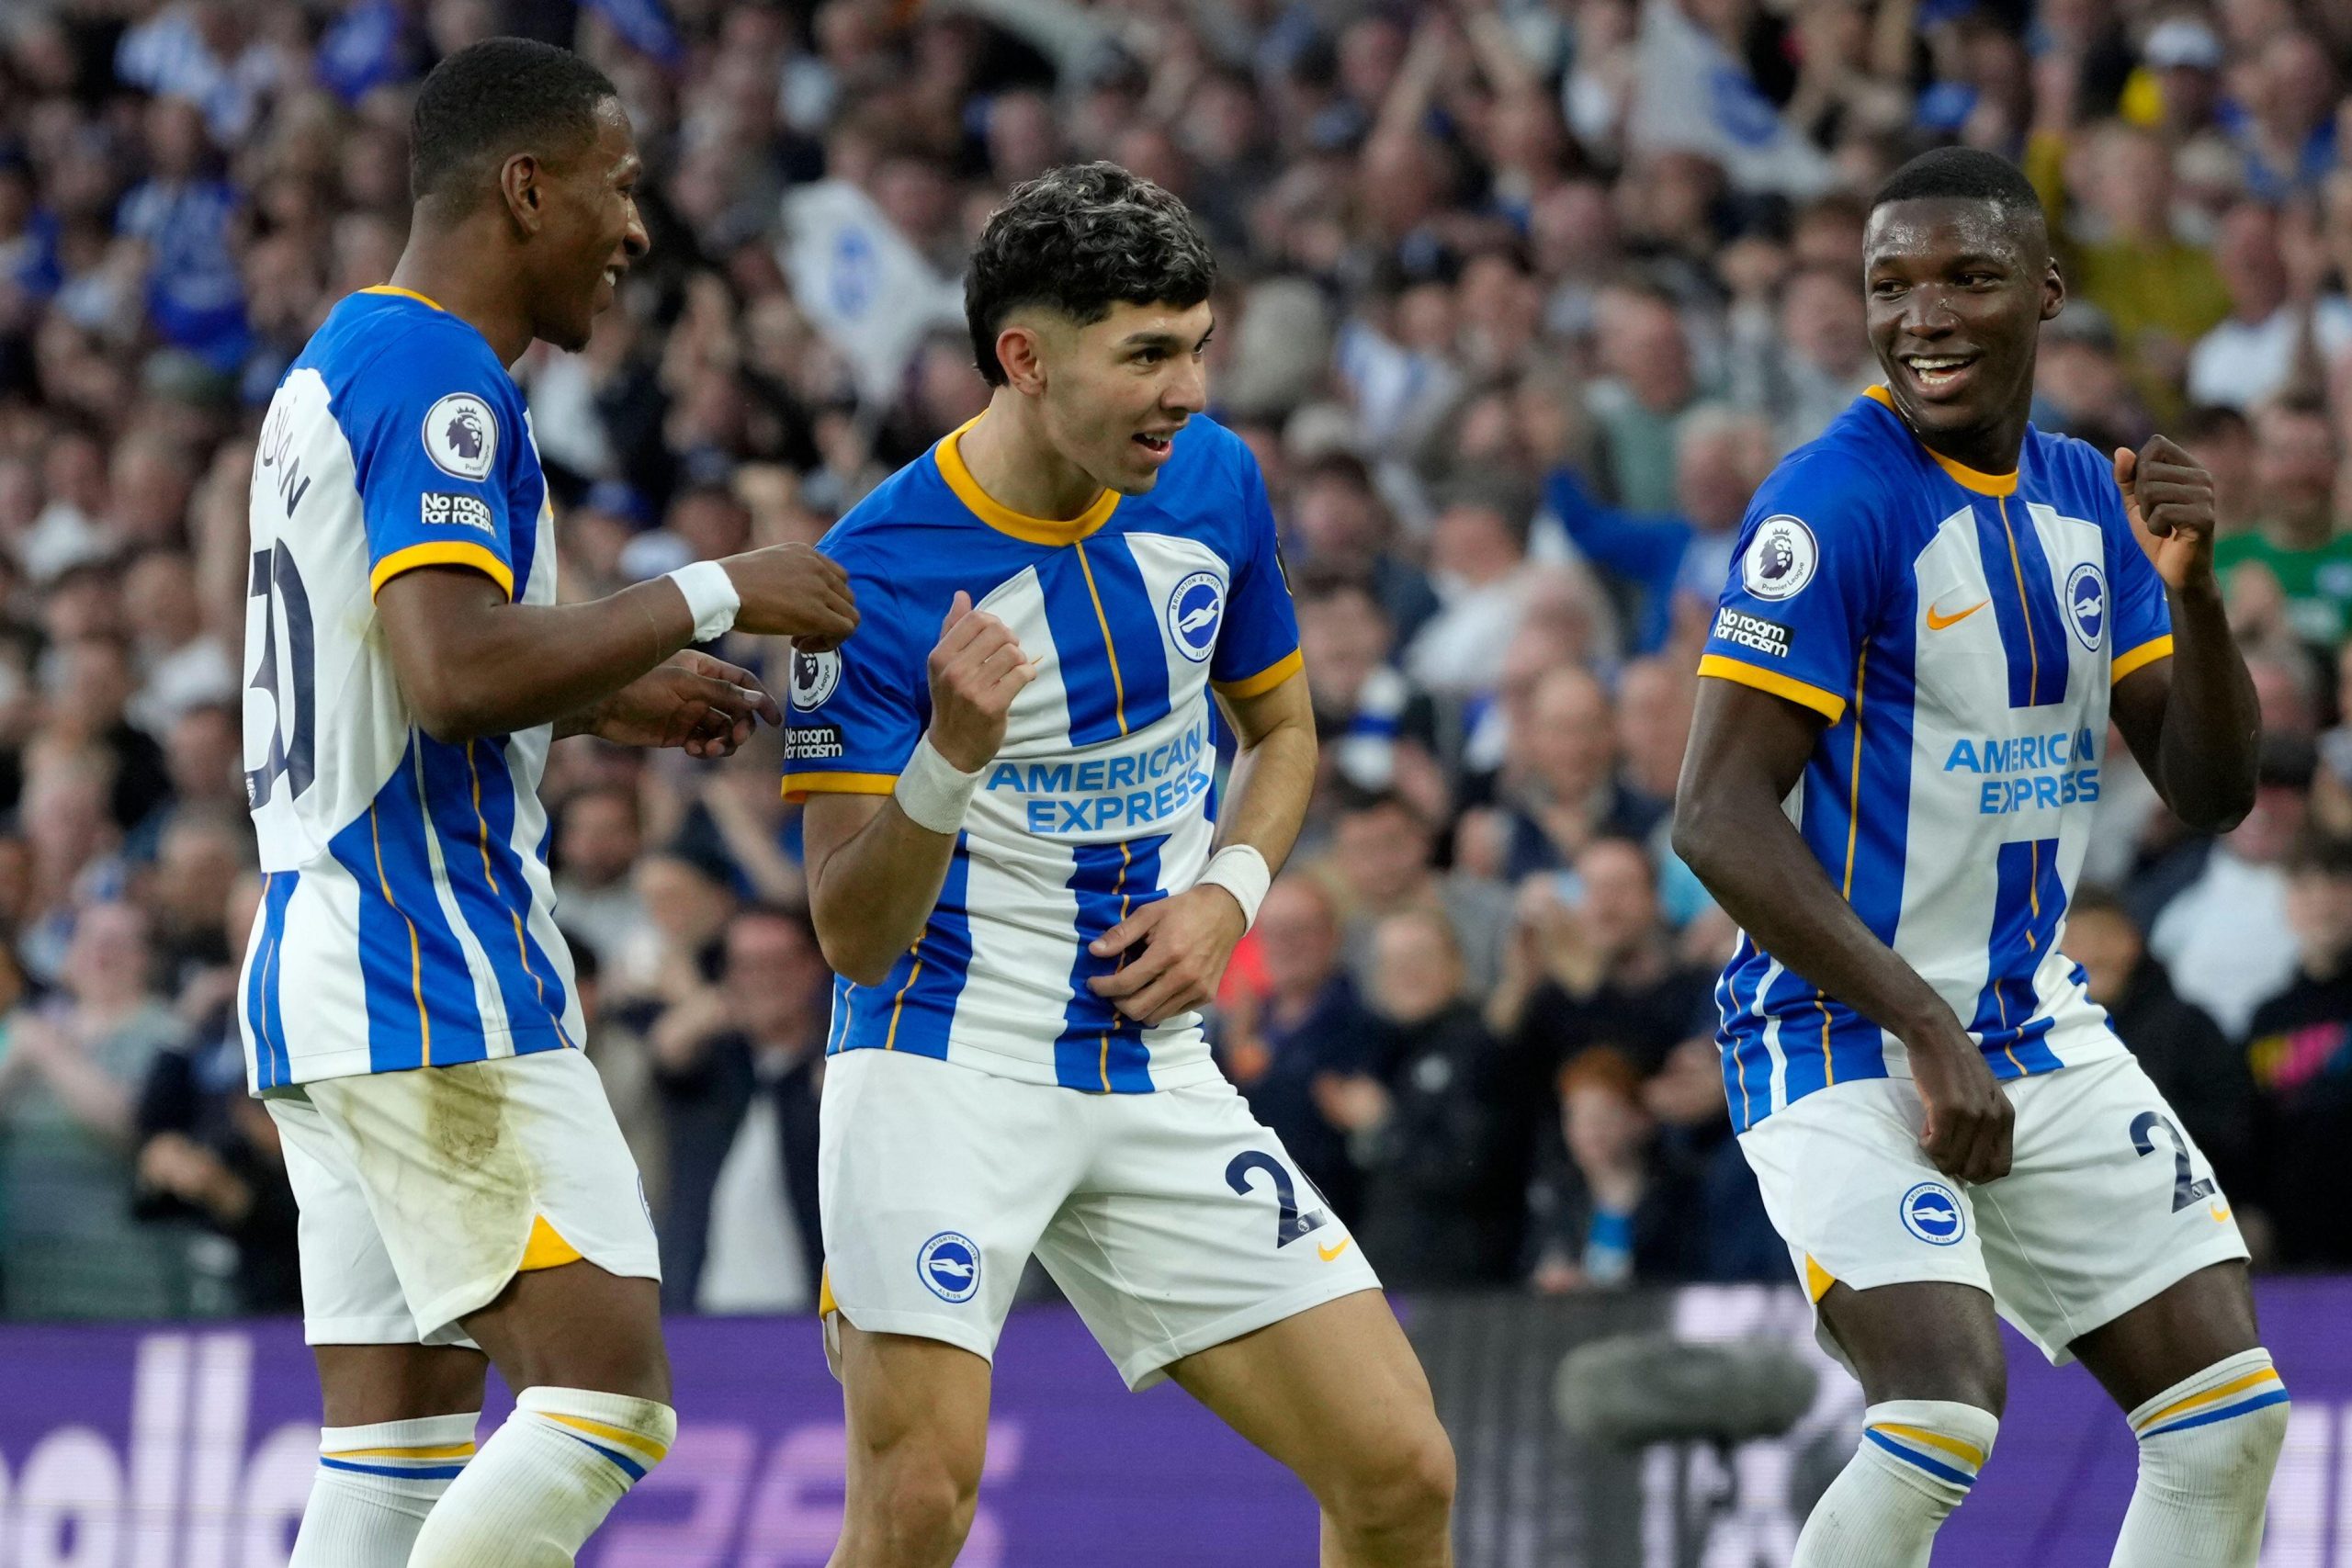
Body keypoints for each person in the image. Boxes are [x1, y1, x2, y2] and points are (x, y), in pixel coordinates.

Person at [236, 39, 855, 1568]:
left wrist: (598, 693)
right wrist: (714, 589)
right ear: (526, 189)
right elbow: (452, 673)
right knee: (604, 1404)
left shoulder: (341, 362)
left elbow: (393, 674)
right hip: (428, 958)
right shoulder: (441, 377)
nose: (636, 227)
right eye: (617, 185)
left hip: (323, 957)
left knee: (396, 1454)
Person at [786, 164, 1453, 1568]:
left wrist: (1228, 896)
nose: (1188, 392)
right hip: (941, 1063)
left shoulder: (1214, 483)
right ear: (1025, 360)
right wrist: (947, 759)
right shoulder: (873, 575)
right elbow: (850, 934)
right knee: (916, 1509)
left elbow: (1283, 734)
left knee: (1401, 1474)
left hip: (1151, 1061)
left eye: (1197, 348)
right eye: (1148, 355)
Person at [1674, 147, 2283, 1568]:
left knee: (2227, 1424)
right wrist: (1924, 1028)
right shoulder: (1834, 504)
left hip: (2024, 1025)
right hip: (1839, 1036)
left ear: (2048, 292)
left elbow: (2210, 791)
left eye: (1968, 278)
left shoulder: (2087, 497)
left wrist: (2195, 598)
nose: (1925, 316)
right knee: (1941, 1414)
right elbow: (1715, 813)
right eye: (1891, 285)